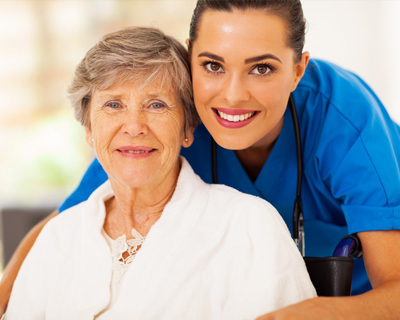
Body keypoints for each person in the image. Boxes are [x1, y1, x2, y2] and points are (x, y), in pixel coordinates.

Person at [1, 0, 400, 318]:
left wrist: (300, 315)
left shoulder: (346, 122)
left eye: (261, 68)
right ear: (192, 59)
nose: (231, 95)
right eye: (212, 65)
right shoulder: (167, 118)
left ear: (298, 70)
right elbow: (71, 222)